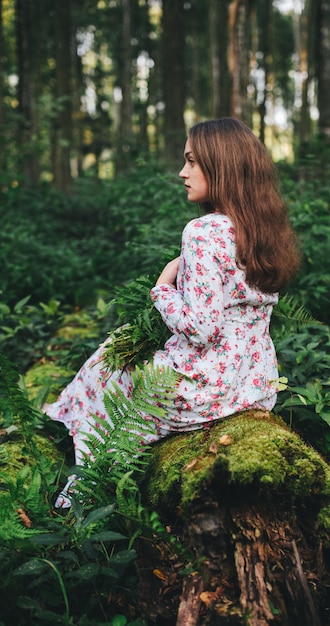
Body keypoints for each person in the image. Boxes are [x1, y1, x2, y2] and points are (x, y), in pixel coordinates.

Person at [43, 117, 301, 508]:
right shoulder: (263, 229)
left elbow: (201, 329)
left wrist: (162, 291)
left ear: (222, 166)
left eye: (193, 161)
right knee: (115, 355)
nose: (183, 172)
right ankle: (65, 423)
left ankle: (82, 488)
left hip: (199, 387)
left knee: (109, 367)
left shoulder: (202, 232)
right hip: (254, 382)